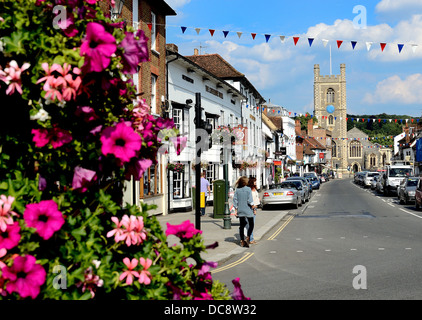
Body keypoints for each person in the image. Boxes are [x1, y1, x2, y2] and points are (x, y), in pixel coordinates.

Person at [233, 176, 255, 248]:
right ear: (245, 182)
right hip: (248, 209)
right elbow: (250, 200)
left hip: (240, 209)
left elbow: (235, 200)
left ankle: (242, 240)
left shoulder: (237, 190)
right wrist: (253, 207)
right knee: (251, 224)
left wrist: (236, 209)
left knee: (242, 226)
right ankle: (248, 237)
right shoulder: (248, 189)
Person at [246, 177, 260, 244]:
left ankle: (248, 237)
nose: (256, 182)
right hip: (251, 208)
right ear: (251, 182)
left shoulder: (255, 189)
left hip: (255, 207)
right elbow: (249, 200)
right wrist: (254, 209)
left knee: (250, 225)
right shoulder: (249, 190)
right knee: (251, 225)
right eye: (254, 181)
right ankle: (251, 239)